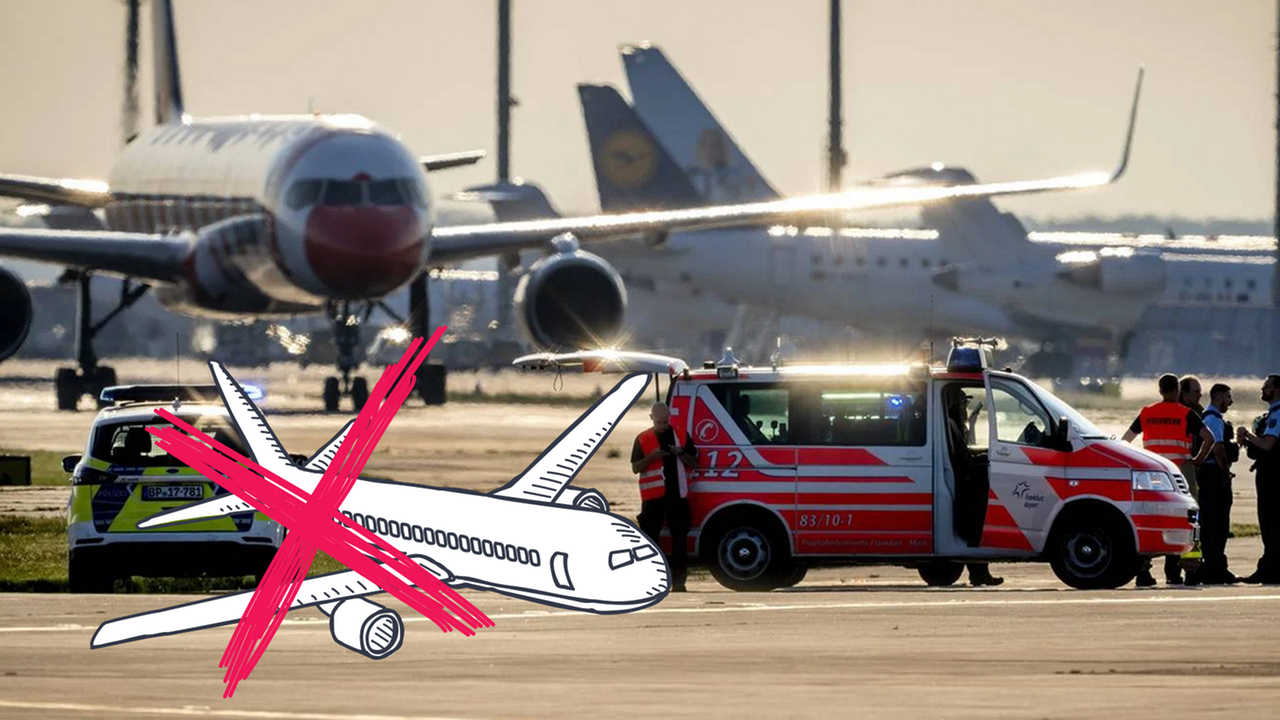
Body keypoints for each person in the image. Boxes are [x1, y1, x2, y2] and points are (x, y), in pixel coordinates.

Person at [1122, 373, 1215, 586]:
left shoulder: (1147, 413)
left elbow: (1126, 440)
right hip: (1181, 470)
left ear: (1160, 391)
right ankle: (1190, 570)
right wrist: (1198, 459)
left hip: (1152, 472)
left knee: (1149, 519)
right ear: (1178, 391)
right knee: (1189, 520)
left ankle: (1143, 572)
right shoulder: (1186, 414)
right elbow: (1209, 437)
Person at [631, 401, 697, 592]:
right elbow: (636, 467)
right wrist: (651, 457)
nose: (662, 425)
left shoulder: (681, 435)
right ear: (651, 418)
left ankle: (678, 582)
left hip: (677, 496)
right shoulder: (643, 438)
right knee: (651, 539)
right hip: (653, 497)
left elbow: (693, 462)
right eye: (659, 422)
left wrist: (681, 452)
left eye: (665, 421)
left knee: (679, 540)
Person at [1236, 374, 1280, 584]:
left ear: (1277, 390)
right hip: (1269, 473)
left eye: (1267, 386)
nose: (1262, 390)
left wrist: (1247, 435)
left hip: (1273, 476)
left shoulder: (1276, 415)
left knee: (1270, 521)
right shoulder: (1271, 414)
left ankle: (1270, 568)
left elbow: (1268, 445)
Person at [1199, 383, 1240, 584]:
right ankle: (1215, 568)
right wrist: (1225, 473)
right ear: (1217, 396)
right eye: (1228, 397)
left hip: (1207, 475)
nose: (1230, 402)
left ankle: (1213, 565)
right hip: (1214, 475)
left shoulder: (1206, 418)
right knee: (1218, 524)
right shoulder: (1213, 419)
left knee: (1211, 523)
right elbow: (1218, 448)